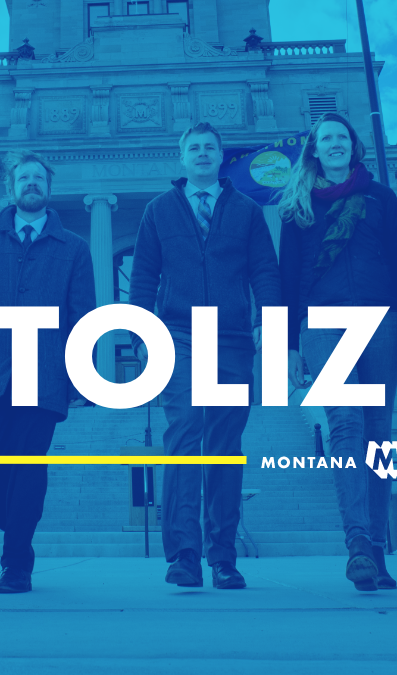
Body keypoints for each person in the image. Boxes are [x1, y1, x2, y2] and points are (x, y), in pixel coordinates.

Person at [129, 121, 282, 589]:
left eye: (209, 148)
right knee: (184, 432)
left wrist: (272, 329)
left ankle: (223, 555)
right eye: (193, 147)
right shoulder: (158, 211)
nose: (201, 154)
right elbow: (143, 277)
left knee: (223, 446)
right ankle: (184, 554)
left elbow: (265, 272)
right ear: (182, 158)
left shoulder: (247, 211)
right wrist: (140, 335)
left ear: (220, 157)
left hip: (232, 339)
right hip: (176, 334)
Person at [278, 112, 397, 591]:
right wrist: (288, 344)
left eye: (341, 137)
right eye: (325, 138)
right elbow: (286, 280)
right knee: (346, 423)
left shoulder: (380, 197)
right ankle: (357, 543)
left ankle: (377, 548)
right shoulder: (298, 206)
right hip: (323, 323)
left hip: (381, 321)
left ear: (353, 146)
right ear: (314, 150)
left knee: (378, 434)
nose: (334, 144)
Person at [0, 150, 96, 593]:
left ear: (48, 189)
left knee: (29, 465)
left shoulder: (74, 247)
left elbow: (82, 316)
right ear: (11, 188)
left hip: (45, 375)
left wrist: (80, 376)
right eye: (24, 178)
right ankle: (14, 522)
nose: (31, 183)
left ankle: (17, 563)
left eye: (39, 178)